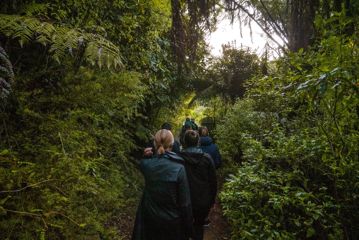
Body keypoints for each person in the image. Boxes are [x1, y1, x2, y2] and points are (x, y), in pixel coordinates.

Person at [132, 129, 193, 240]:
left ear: (154, 144)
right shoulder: (179, 168)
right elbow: (185, 203)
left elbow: (142, 164)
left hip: (151, 220)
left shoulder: (146, 165)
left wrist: (145, 156)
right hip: (173, 222)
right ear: (172, 144)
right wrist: (189, 228)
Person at [179, 130, 217, 240]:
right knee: (199, 227)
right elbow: (213, 182)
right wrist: (212, 200)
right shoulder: (207, 158)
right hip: (202, 202)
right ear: (198, 142)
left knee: (183, 228)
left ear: (184, 142)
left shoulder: (178, 158)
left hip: (183, 201)